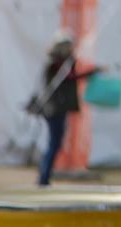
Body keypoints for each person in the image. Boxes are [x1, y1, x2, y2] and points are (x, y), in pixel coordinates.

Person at [33, 34, 101, 187]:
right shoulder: (55, 64)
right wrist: (87, 71)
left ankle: (44, 176)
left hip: (57, 109)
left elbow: (71, 76)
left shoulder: (61, 63)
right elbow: (68, 78)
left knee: (54, 144)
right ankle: (43, 177)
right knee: (54, 144)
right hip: (54, 109)